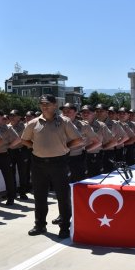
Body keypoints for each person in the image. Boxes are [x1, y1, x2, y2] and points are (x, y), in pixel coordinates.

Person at [22, 94, 83, 238]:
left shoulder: (64, 122)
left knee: (63, 196)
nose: (44, 106)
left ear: (55, 105)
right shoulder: (33, 123)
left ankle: (64, 227)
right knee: (40, 196)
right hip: (38, 163)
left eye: (48, 104)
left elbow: (78, 140)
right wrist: (35, 147)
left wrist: (66, 147)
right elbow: (24, 140)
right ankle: (40, 225)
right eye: (42, 104)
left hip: (59, 162)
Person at [0, 110, 22, 206]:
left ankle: (11, 197)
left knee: (8, 178)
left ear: (1, 117)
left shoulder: (7, 128)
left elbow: (18, 139)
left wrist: (9, 146)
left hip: (4, 155)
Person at [81, 105, 115, 177]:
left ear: (93, 113)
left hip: (94, 157)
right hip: (79, 157)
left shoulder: (101, 125)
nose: (85, 114)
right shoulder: (76, 125)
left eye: (88, 112)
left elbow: (113, 141)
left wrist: (102, 148)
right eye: (83, 112)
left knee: (95, 179)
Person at [7, 110, 29, 200]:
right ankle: (13, 192)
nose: (11, 117)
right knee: (11, 173)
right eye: (10, 115)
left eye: (14, 115)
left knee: (22, 173)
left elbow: (20, 138)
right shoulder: (7, 127)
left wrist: (10, 146)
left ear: (19, 117)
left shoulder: (23, 126)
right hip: (10, 152)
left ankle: (23, 192)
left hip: (21, 152)